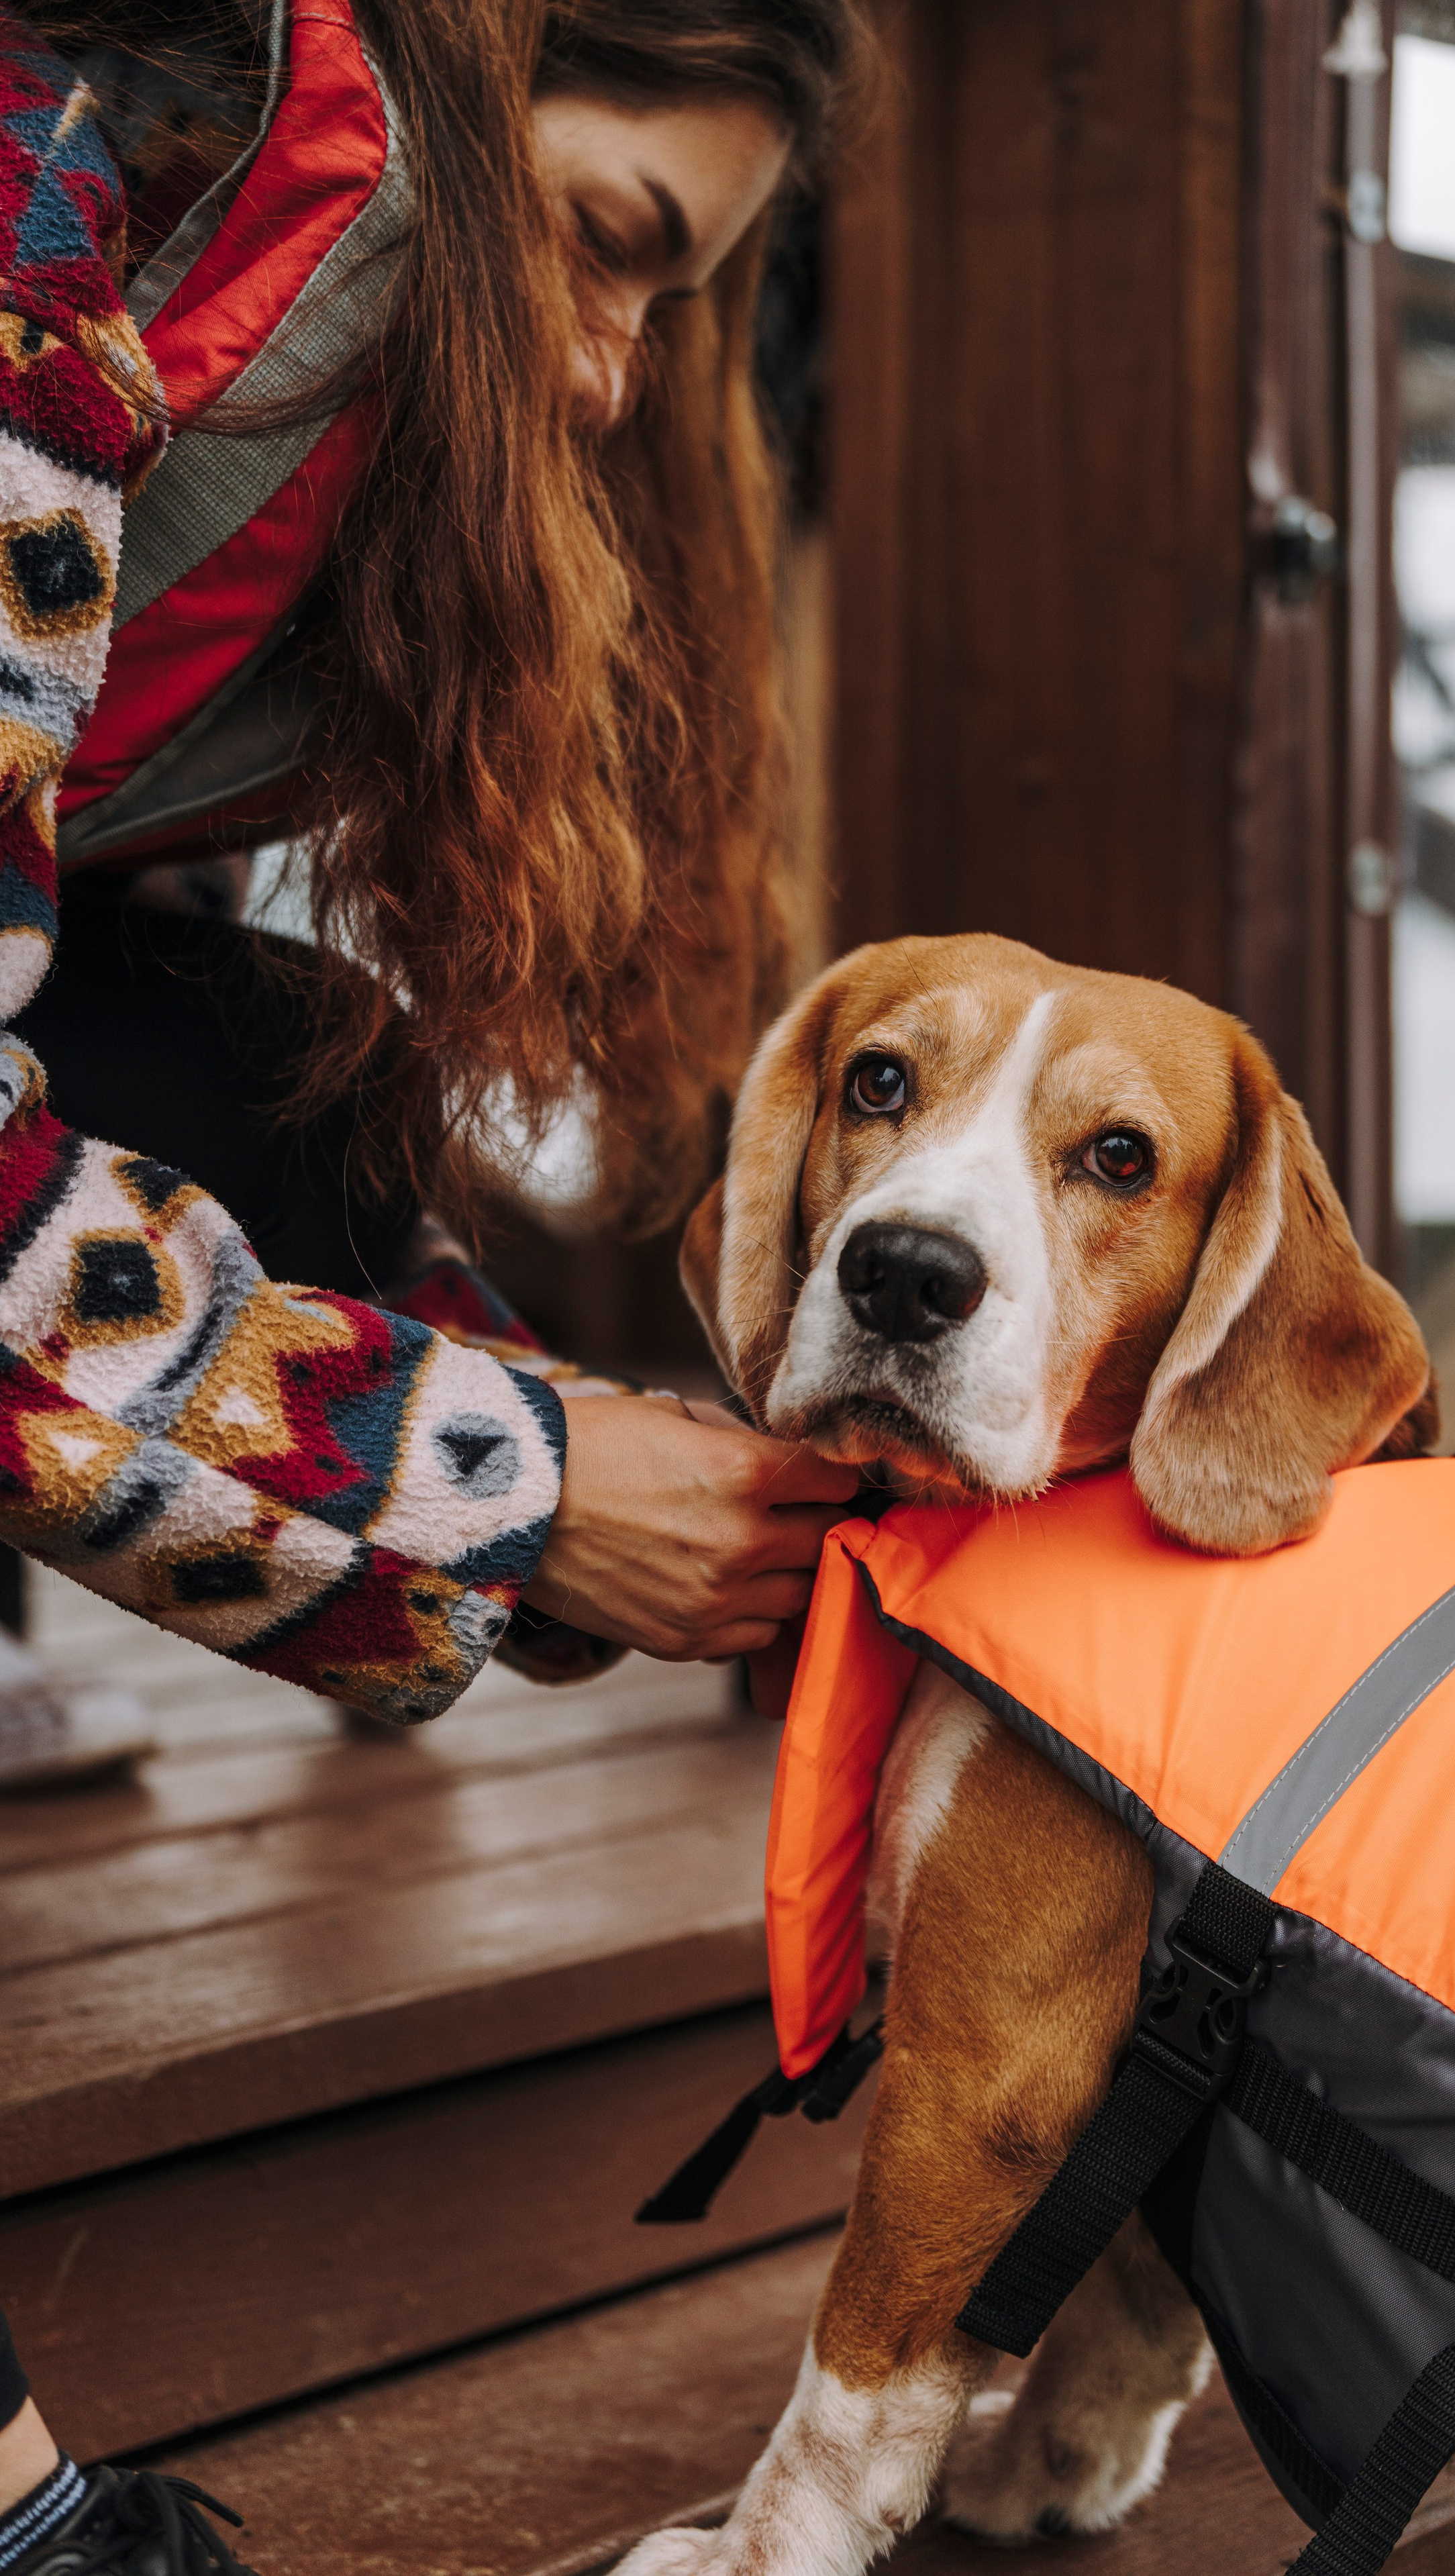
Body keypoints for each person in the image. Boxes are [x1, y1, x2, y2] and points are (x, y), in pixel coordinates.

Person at [0, 1, 864, 2565]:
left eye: (673, 311)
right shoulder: (59, 174)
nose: (611, 383)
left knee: (286, 1051)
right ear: (468, 102)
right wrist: (506, 1492)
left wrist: (544, 1454)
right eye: (608, 255)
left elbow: (130, 1035)